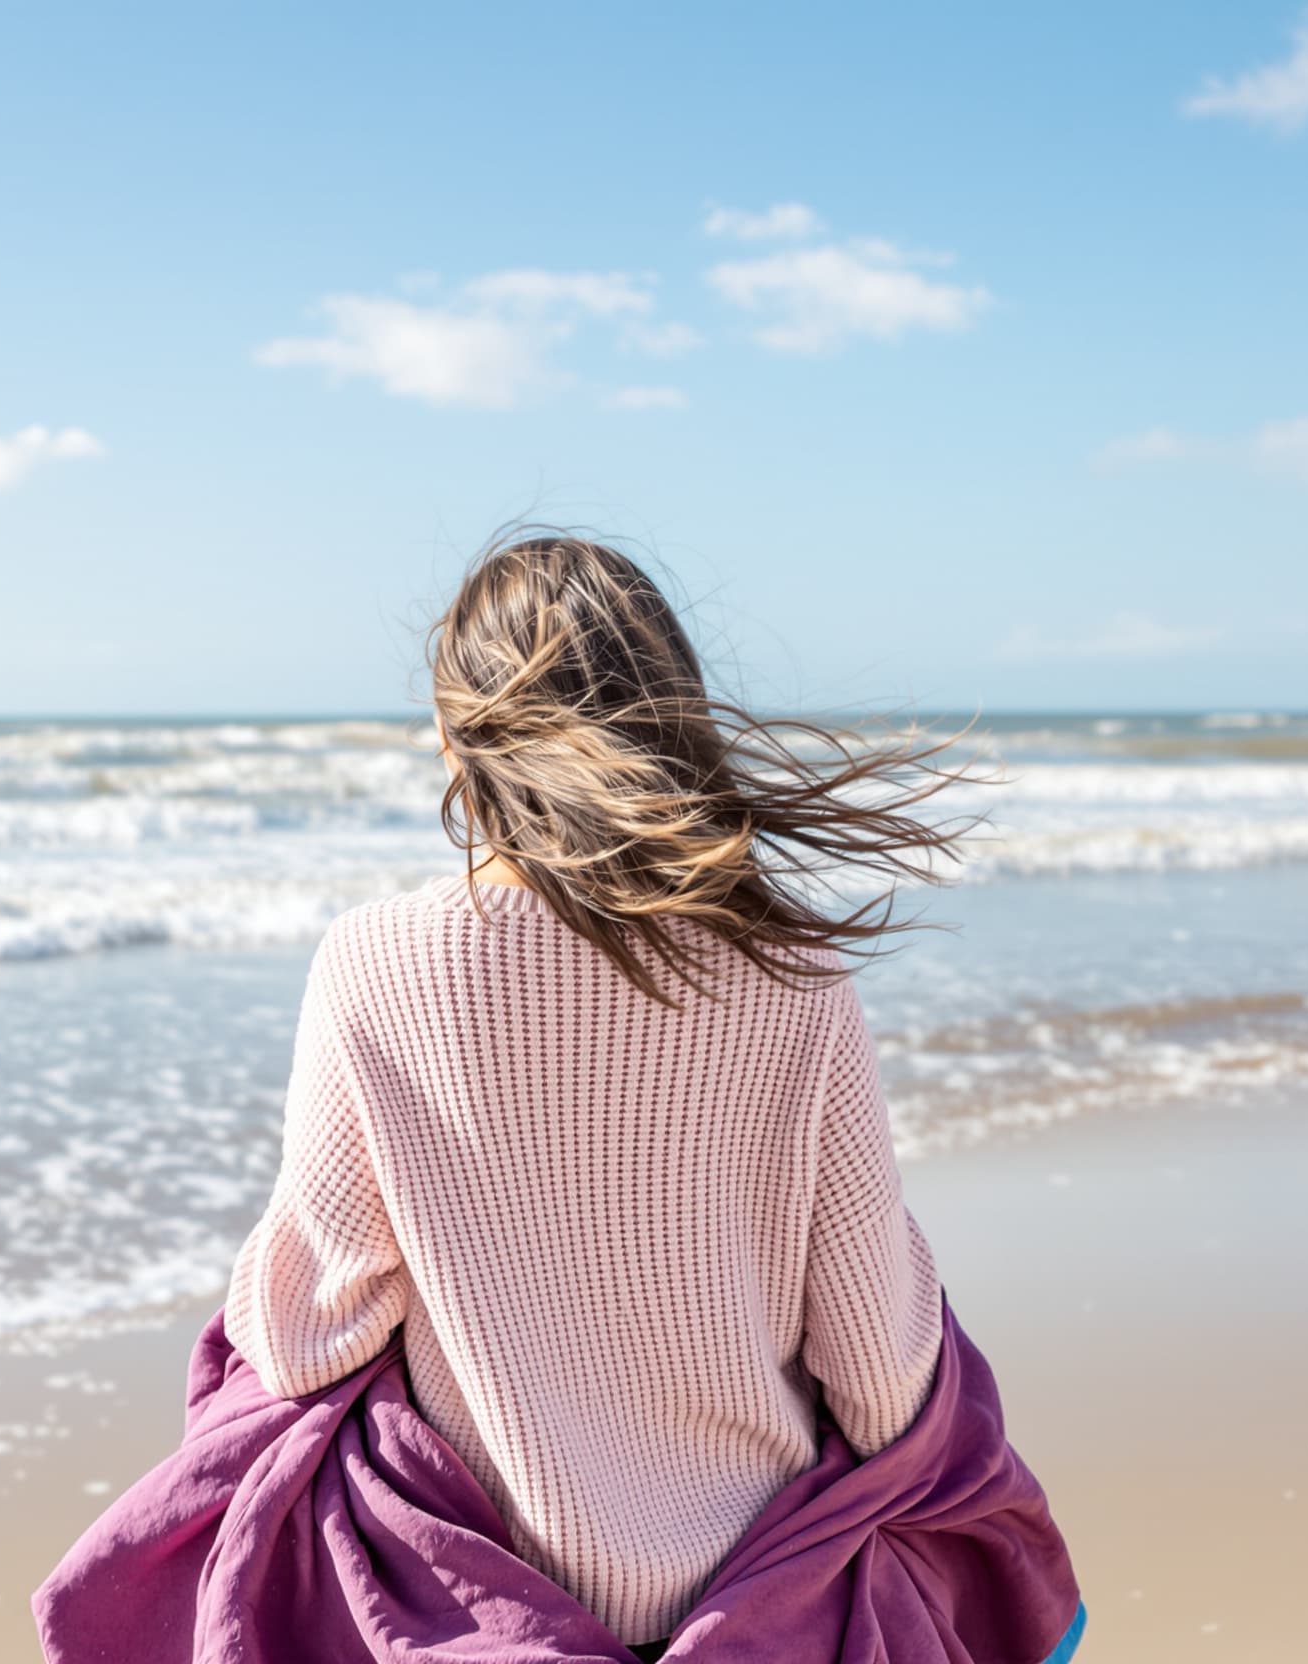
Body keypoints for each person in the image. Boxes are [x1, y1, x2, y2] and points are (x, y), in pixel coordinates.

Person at [223, 530, 1001, 1658]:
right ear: (670, 719)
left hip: (481, 1606)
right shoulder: (792, 972)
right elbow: (882, 1382)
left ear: (455, 739)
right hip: (757, 1604)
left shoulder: (373, 962)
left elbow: (301, 1337)